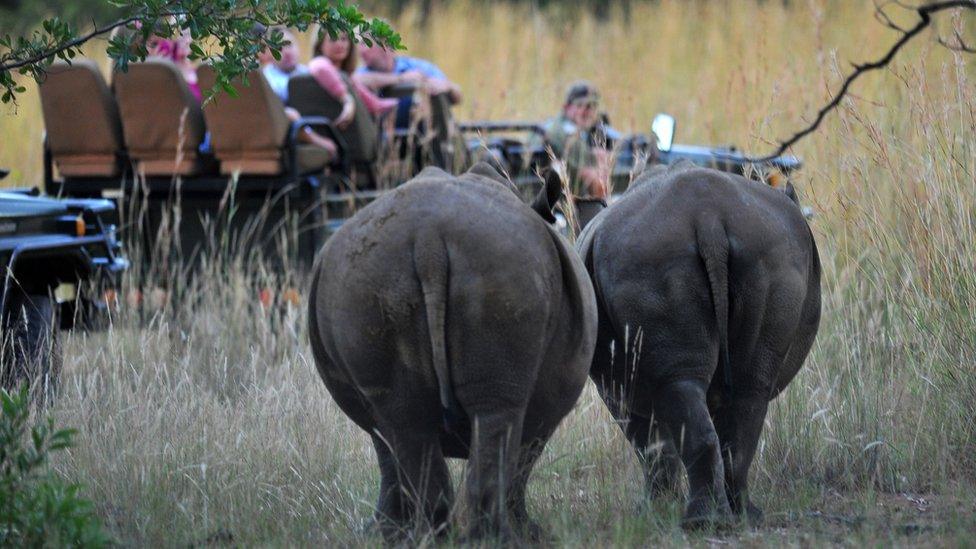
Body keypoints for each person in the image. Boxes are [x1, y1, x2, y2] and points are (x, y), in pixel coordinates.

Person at [354, 42, 461, 127]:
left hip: (425, 136)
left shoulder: (418, 66)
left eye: (365, 43)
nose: (360, 50)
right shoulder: (363, 72)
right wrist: (400, 79)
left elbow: (457, 96)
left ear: (384, 45)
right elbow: (356, 80)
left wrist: (447, 87)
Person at [307, 30, 398, 128]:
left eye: (343, 39)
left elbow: (375, 105)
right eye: (332, 39)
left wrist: (398, 103)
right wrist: (347, 100)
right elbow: (320, 67)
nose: (339, 44)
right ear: (320, 45)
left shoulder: (349, 79)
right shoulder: (319, 64)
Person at [537, 81, 612, 199]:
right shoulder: (563, 132)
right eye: (580, 105)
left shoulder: (564, 126)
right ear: (566, 108)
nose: (587, 111)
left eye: (592, 106)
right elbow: (586, 173)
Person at [260, 28, 309, 103]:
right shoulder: (266, 79)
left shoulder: (308, 72)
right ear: (269, 54)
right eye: (279, 48)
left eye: (289, 44)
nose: (287, 52)